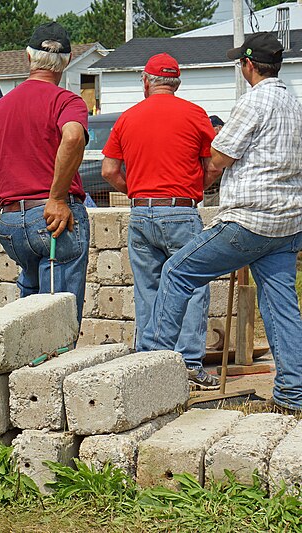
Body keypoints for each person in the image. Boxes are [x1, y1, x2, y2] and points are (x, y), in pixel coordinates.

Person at [138, 32, 302, 413]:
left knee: (177, 271)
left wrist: (202, 176)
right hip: (288, 222)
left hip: (249, 219)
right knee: (281, 305)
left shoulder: (254, 100)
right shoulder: (293, 102)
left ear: (248, 65)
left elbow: (220, 153)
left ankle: (149, 371)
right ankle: (293, 394)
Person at [101, 53, 218, 389]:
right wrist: (193, 189)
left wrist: (137, 192)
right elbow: (214, 165)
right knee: (191, 287)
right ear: (177, 83)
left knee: (148, 288)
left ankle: (150, 364)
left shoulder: (127, 118)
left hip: (141, 213)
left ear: (146, 81)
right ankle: (189, 365)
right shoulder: (195, 114)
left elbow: (109, 170)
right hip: (181, 211)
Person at [0, 21, 90, 328]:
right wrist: (57, 197)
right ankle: (51, 373)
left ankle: (24, 370)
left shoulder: (0, 107)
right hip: (51, 219)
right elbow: (72, 137)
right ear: (68, 61)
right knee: (57, 321)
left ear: (28, 57)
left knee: (28, 318)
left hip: (11, 223)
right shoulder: (66, 101)